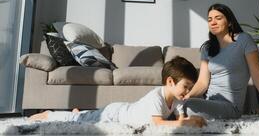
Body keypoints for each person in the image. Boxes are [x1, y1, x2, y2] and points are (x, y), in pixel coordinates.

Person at [29, 56, 207, 127]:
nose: (188, 92)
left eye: (190, 88)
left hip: (126, 109)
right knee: (79, 121)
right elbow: (158, 123)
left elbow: (180, 119)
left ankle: (81, 111)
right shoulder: (156, 96)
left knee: (88, 115)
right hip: (116, 114)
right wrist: (185, 123)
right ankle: (48, 114)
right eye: (186, 87)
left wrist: (191, 120)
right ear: (170, 81)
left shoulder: (178, 98)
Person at [183, 3, 259, 122]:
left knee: (187, 107)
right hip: (209, 102)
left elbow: (257, 76)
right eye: (210, 19)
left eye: (218, 18)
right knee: (177, 103)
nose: (213, 22)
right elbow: (202, 83)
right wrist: (187, 96)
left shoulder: (243, 40)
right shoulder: (207, 48)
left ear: (229, 22)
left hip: (231, 107)